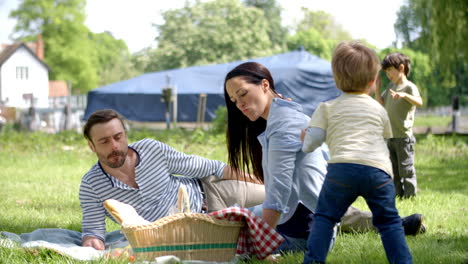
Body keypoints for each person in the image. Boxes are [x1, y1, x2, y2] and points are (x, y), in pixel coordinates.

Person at [223, 61, 423, 255]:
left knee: (234, 242)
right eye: (234, 100)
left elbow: (278, 195)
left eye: (242, 94)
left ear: (265, 85)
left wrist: (262, 245)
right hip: (312, 210)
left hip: (309, 226)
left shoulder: (283, 125)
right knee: (238, 220)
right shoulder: (284, 114)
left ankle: (393, 224)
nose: (239, 104)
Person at [80, 109, 265, 250]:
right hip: (194, 230)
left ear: (125, 135)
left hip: (211, 192)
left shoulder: (152, 149)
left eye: (118, 137)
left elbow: (211, 167)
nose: (114, 146)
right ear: (91, 146)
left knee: (276, 200)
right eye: (104, 141)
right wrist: (92, 244)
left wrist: (257, 180)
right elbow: (93, 232)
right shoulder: (91, 185)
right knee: (266, 222)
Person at [303, 42, 412, 263]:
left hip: (341, 171)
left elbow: (312, 141)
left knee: (324, 218)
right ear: (372, 83)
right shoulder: (379, 109)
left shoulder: (327, 107)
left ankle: (313, 261)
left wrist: (305, 141)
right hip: (378, 173)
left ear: (336, 79)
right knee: (389, 222)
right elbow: (385, 138)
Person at [375, 52, 423, 198]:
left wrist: (404, 96)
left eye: (390, 70)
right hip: (390, 136)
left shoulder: (409, 87)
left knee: (406, 169)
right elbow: (381, 103)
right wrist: (377, 88)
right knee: (393, 170)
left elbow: (419, 102)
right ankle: (398, 195)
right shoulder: (391, 86)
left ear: (401, 68)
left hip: (404, 137)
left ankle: (410, 196)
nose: (388, 74)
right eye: (386, 71)